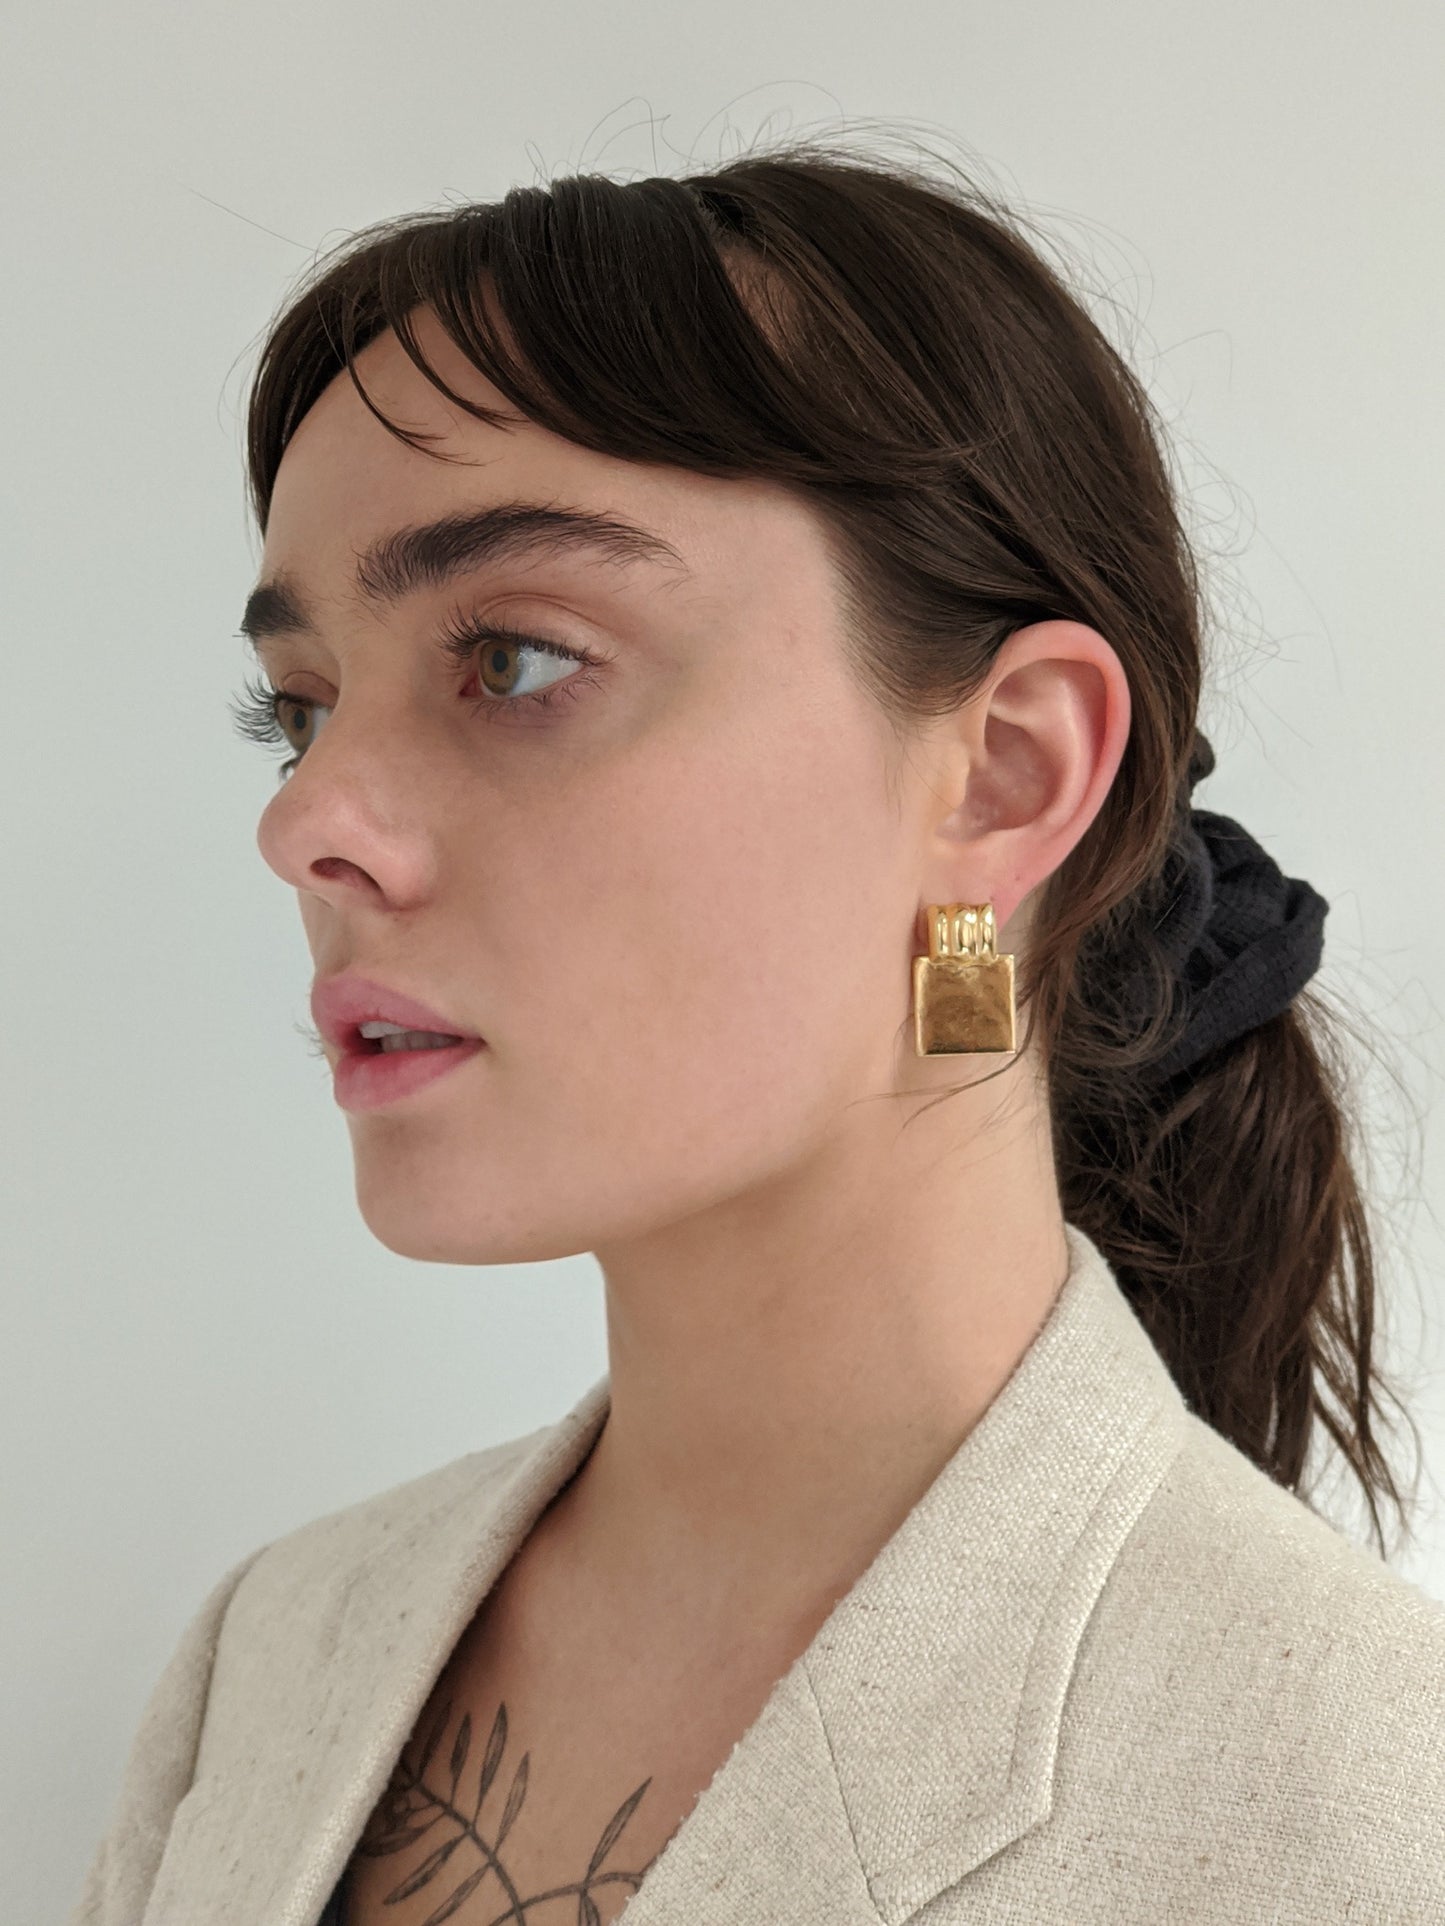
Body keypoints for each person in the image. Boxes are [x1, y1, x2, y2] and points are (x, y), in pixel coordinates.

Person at [69, 136, 1445, 1926]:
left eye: (512, 660)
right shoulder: (266, 1662)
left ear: (1005, 770)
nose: (307, 822)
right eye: (302, 707)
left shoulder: (1363, 1809)